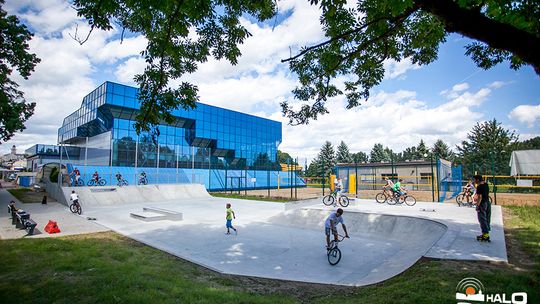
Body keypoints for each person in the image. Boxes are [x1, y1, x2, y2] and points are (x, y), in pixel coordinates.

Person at [473, 175, 491, 241]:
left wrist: (477, 205)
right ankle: (485, 233)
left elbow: (480, 197)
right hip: (487, 203)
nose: (474, 181)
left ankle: (485, 235)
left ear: (477, 180)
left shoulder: (479, 186)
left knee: (482, 219)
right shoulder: (486, 184)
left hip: (482, 204)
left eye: (474, 180)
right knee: (487, 218)